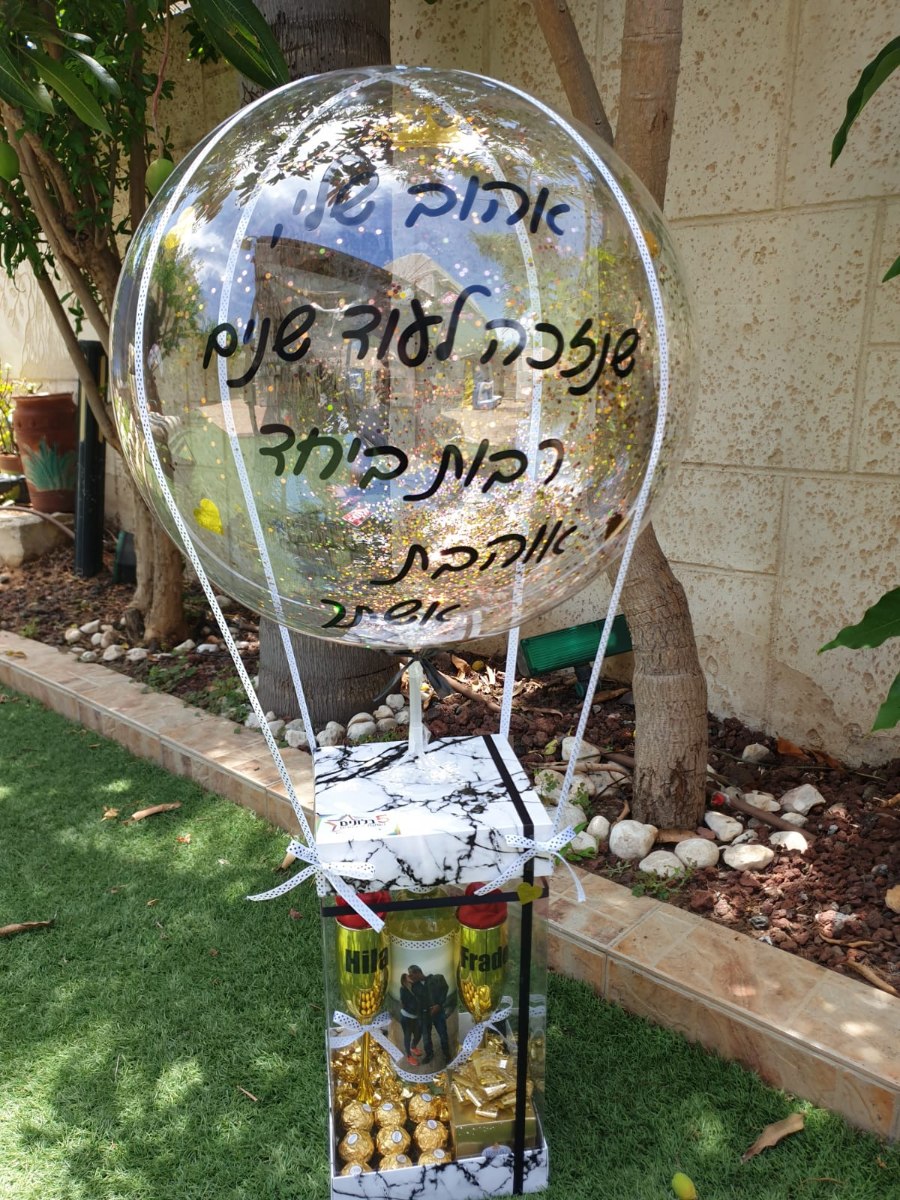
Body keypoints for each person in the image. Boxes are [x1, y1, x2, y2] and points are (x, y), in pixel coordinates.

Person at [409, 964, 451, 1065]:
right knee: (426, 1037)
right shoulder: (414, 987)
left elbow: (444, 989)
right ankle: (429, 1054)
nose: (410, 977)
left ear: (418, 972)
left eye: (411, 975)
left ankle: (447, 1054)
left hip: (438, 1012)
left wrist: (439, 1005)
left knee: (443, 1034)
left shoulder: (436, 979)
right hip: (424, 1015)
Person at [399, 972, 422, 1065]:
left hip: (415, 1017)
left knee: (418, 1034)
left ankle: (413, 1047)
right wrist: (415, 1010)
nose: (410, 977)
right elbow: (404, 1004)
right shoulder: (403, 989)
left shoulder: (414, 987)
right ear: (404, 980)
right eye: (408, 976)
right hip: (406, 1017)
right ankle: (409, 1056)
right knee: (407, 1037)